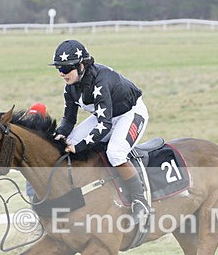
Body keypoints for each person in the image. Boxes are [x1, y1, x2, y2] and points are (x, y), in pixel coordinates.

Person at [49, 39, 150, 223]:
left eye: (65, 70)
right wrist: (59, 136)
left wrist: (78, 148)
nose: (62, 74)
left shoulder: (100, 82)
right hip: (107, 115)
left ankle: (140, 201)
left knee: (115, 153)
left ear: (81, 66)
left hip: (130, 113)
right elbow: (69, 119)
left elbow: (104, 125)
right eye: (59, 70)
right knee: (68, 141)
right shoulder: (70, 87)